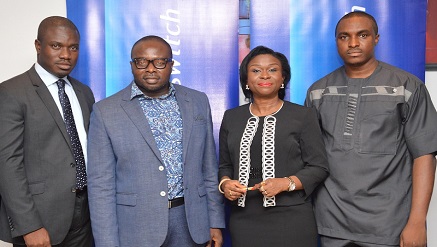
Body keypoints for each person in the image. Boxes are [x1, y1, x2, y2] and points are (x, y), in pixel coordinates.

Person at [305, 11, 437, 247]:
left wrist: (417, 221)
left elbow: (424, 155)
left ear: (376, 38)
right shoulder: (318, 91)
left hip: (389, 223)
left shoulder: (406, 86)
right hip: (331, 222)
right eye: (344, 37)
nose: (353, 43)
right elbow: (310, 159)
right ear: (336, 41)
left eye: (362, 35)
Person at [87, 35, 225, 247]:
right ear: (132, 65)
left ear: (171, 65)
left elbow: (208, 169)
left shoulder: (198, 101)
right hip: (136, 227)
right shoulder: (106, 111)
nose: (151, 69)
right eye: (142, 62)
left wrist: (214, 222)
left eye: (159, 62)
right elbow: (101, 186)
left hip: (191, 223)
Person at [218, 46, 329, 247]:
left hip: (292, 218)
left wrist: (286, 183)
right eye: (256, 70)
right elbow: (225, 165)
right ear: (246, 80)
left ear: (283, 78)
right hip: (243, 219)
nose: (264, 75)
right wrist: (225, 184)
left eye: (272, 69)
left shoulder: (303, 116)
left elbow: (319, 167)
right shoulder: (231, 117)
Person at [0, 16, 95, 246]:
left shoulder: (84, 92)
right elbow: (7, 163)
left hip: (85, 217)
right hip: (40, 219)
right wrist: (29, 225)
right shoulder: (11, 92)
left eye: (73, 47)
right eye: (56, 46)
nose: (66, 55)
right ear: (38, 46)